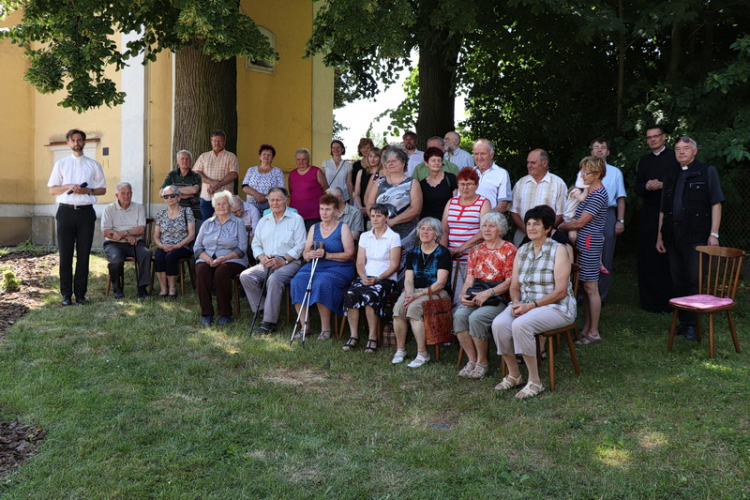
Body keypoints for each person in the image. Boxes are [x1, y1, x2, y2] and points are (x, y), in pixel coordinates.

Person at [492, 206, 576, 399]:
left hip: (557, 307)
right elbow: (514, 286)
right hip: (525, 304)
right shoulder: (522, 250)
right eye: (528, 224)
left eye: (536, 224)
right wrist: (515, 302)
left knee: (521, 325)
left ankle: (535, 381)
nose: (530, 228)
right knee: (499, 324)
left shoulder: (559, 250)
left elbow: (561, 291)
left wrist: (530, 306)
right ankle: (514, 375)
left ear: (548, 228)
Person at [656, 137, 724, 341]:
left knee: (694, 279)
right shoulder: (671, 174)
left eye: (686, 148)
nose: (681, 152)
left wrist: (714, 234)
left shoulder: (707, 171)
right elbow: (663, 209)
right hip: (672, 235)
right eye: (677, 149)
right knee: (678, 280)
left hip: (697, 235)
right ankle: (684, 321)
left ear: (695, 151)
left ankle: (694, 325)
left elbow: (716, 203)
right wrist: (659, 235)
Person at [47, 128, 107, 306]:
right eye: (73, 140)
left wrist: (88, 190)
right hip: (65, 212)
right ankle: (66, 294)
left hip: (86, 212)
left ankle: (80, 294)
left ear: (84, 142)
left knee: (83, 255)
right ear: (68, 142)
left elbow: (102, 189)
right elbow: (52, 190)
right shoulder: (61, 164)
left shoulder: (93, 164)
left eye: (79, 140)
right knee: (65, 254)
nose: (76, 143)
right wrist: (68, 187)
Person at [454, 212, 516, 379]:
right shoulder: (476, 249)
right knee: (459, 315)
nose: (487, 229)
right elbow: (469, 279)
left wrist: (488, 293)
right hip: (477, 293)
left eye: (492, 226)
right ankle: (472, 359)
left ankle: (482, 361)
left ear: (501, 230)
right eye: (484, 226)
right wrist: (462, 295)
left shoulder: (509, 249)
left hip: (498, 297)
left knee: (477, 318)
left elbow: (510, 281)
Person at [240, 187, 306, 334]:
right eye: (272, 200)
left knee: (274, 279)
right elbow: (256, 244)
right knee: (246, 276)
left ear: (285, 200)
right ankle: (263, 310)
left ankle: (269, 322)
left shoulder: (296, 219)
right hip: (267, 262)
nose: (275, 203)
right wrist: (262, 257)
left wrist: (283, 260)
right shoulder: (264, 221)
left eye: (278, 200)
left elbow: (301, 245)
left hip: (290, 262)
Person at [290, 193, 356, 341]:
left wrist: (327, 255)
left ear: (336, 212)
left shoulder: (343, 227)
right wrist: (308, 255)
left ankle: (326, 329)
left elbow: (350, 254)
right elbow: (305, 252)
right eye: (322, 209)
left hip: (339, 267)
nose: (324, 213)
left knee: (322, 283)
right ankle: (304, 326)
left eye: (328, 209)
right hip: (315, 265)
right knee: (297, 281)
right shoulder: (314, 227)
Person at [558, 156, 609, 345]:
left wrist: (560, 228)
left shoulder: (598, 194)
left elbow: (581, 222)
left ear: (597, 174)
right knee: (585, 287)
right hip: (584, 242)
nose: (583, 176)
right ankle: (586, 328)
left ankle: (593, 332)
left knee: (590, 286)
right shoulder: (589, 192)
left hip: (589, 243)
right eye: (582, 172)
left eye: (586, 173)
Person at [391, 218, 453, 368]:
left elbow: (440, 283)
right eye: (422, 229)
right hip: (414, 291)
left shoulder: (443, 253)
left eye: (429, 229)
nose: (425, 232)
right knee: (398, 309)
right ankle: (400, 349)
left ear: (436, 234)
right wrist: (409, 296)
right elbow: (408, 279)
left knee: (413, 309)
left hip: (437, 292)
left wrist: (416, 296)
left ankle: (422, 353)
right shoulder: (413, 252)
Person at [342, 204, 402, 353]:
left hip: (386, 278)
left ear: (386, 218)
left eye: (379, 216)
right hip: (366, 276)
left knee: (371, 295)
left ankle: (372, 337)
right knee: (351, 293)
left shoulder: (393, 237)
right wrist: (363, 277)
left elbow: (394, 265)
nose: (375, 219)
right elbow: (360, 263)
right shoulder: (365, 236)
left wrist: (378, 278)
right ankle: (354, 335)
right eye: (373, 216)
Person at [635, 125, 679, 312]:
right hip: (650, 213)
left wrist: (663, 185)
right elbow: (637, 187)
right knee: (648, 255)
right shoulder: (644, 161)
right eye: (649, 137)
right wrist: (646, 186)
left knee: (668, 256)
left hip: (671, 212)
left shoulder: (675, 157)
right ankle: (649, 302)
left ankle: (670, 301)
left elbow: (681, 183)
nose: (652, 140)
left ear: (664, 137)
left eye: (655, 136)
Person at [193, 190, 249, 325]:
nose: (221, 206)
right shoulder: (207, 223)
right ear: (214, 206)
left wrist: (223, 259)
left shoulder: (238, 223)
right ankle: (207, 314)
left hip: (233, 259)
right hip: (208, 258)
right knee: (201, 270)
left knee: (221, 271)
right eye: (218, 204)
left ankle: (225, 313)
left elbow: (242, 248)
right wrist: (208, 259)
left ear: (230, 205)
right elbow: (197, 246)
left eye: (224, 203)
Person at [366, 147, 423, 271]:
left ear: (403, 163)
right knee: (381, 265)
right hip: (381, 232)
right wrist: (378, 221)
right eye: (388, 161)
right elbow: (370, 204)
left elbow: (416, 209)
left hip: (405, 233)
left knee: (402, 268)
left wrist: (392, 221)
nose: (390, 164)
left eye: (394, 161)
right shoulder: (379, 182)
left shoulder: (412, 183)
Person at [441, 167, 491, 304]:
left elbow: (485, 231)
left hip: (473, 259)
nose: (465, 188)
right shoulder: (451, 202)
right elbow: (444, 229)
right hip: (452, 258)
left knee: (466, 296)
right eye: (462, 184)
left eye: (469, 184)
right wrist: (444, 253)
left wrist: (461, 249)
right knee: (451, 296)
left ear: (477, 185)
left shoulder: (483, 203)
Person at [590, 138, 627, 303]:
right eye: (596, 147)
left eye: (603, 147)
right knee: (587, 252)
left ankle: (601, 296)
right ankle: (584, 294)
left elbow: (621, 198)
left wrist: (620, 221)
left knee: (606, 255)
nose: (599, 150)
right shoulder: (584, 171)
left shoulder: (615, 172)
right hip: (588, 215)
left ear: (608, 152)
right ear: (592, 151)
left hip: (608, 214)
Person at [100, 182, 151, 301]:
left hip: (135, 242)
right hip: (114, 244)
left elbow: (141, 229)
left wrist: (124, 233)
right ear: (117, 195)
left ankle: (142, 288)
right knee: (116, 261)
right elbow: (106, 232)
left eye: (129, 193)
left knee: (146, 254)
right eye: (123, 193)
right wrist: (127, 236)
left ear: (132, 194)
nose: (126, 196)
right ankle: (117, 288)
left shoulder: (139, 207)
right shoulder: (109, 208)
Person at [509, 148, 567, 246]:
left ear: (544, 163)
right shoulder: (520, 183)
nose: (529, 166)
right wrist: (526, 229)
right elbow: (513, 211)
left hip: (549, 234)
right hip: (523, 233)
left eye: (533, 163)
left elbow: (561, 213)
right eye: (528, 162)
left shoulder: (558, 183)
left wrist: (544, 231)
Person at [153, 185, 196, 298]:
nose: (169, 198)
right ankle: (163, 288)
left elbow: (191, 235)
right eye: (166, 196)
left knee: (170, 256)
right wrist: (161, 246)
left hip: (183, 246)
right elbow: (156, 236)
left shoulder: (187, 211)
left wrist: (177, 246)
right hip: (164, 246)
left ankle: (172, 288)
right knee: (159, 256)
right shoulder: (161, 213)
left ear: (179, 197)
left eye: (172, 196)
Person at [193, 130, 239, 221]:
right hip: (207, 198)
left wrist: (217, 185)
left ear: (224, 142)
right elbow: (196, 173)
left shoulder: (231, 156)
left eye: (219, 141)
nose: (217, 143)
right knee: (206, 224)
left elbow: (233, 174)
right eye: (214, 140)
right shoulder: (204, 156)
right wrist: (211, 182)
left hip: (225, 200)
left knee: (224, 223)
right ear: (211, 142)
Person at [288, 147, 328, 230]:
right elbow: (291, 192)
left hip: (313, 214)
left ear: (308, 160)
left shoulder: (316, 171)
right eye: (298, 159)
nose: (301, 162)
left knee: (312, 236)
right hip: (295, 214)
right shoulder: (292, 174)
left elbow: (326, 190)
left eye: (304, 159)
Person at [160, 149, 202, 226]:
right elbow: (161, 193)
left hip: (194, 215)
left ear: (191, 161)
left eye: (187, 158)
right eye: (182, 158)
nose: (185, 161)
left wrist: (173, 190)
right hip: (175, 216)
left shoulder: (196, 176)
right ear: (177, 161)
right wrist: (184, 194)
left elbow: (194, 190)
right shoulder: (172, 175)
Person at [241, 144, 285, 214]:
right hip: (251, 209)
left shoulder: (277, 171)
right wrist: (258, 195)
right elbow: (244, 186)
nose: (266, 157)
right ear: (260, 156)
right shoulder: (251, 170)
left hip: (271, 209)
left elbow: (281, 189)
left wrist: (267, 197)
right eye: (264, 154)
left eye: (269, 155)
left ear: (273, 158)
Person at [472, 139, 511, 213]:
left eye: (483, 153)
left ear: (491, 154)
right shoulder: (468, 173)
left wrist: (485, 217)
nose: (479, 158)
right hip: (467, 219)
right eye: (476, 154)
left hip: (490, 219)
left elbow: (503, 206)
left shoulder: (501, 173)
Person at [420, 147, 457, 220]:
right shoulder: (421, 184)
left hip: (447, 220)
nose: (436, 163)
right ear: (426, 163)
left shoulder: (451, 178)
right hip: (428, 222)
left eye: (439, 160)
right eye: (433, 160)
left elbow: (455, 202)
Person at [353, 146, 382, 220]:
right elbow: (356, 193)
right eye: (370, 156)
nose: (372, 159)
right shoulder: (361, 172)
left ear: (380, 158)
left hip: (377, 209)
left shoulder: (382, 173)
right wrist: (361, 208)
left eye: (375, 157)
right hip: (362, 209)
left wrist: (369, 208)